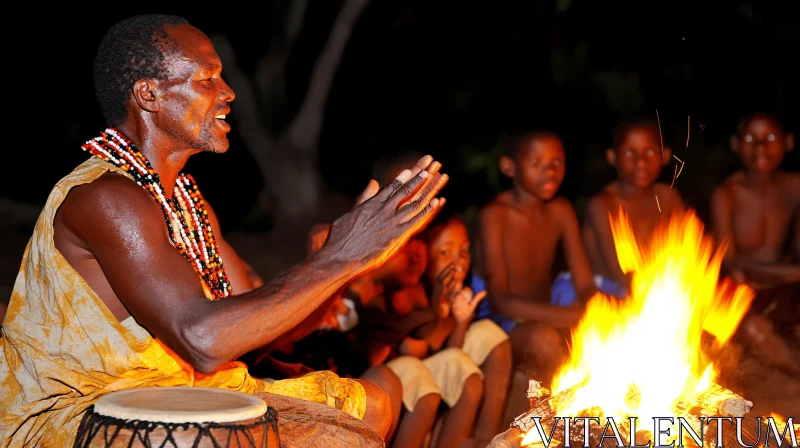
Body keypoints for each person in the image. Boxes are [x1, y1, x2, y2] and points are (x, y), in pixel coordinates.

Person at [0, 14, 448, 447]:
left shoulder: (188, 203)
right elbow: (203, 341)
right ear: (149, 95)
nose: (228, 92)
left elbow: (264, 329)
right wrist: (340, 256)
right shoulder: (107, 197)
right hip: (86, 410)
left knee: (370, 404)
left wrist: (349, 261)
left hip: (186, 390)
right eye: (207, 79)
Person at [473, 131, 596, 385]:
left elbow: (585, 286)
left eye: (556, 162)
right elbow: (501, 303)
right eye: (535, 162)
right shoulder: (495, 216)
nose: (549, 171)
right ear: (509, 167)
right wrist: (574, 316)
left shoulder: (562, 211)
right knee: (545, 339)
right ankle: (571, 416)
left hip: (546, 314)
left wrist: (599, 309)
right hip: (499, 323)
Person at [409, 213, 513, 447]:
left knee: (490, 333)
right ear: (422, 255)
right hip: (412, 387)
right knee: (465, 373)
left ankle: (490, 438)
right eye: (445, 252)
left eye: (464, 251)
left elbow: (452, 352)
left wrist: (462, 319)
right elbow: (419, 353)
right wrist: (439, 312)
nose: (459, 262)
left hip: (442, 373)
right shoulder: (414, 292)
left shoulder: (462, 291)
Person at [709, 111, 800, 376]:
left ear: (789, 142)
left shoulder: (795, 187)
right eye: (750, 138)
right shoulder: (727, 194)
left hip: (784, 291)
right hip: (739, 292)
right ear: (735, 144)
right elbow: (731, 262)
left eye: (770, 137)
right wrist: (792, 273)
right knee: (753, 329)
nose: (760, 146)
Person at [581, 118, 684, 302]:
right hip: (609, 295)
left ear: (665, 155)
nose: (641, 161)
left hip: (658, 288)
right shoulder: (602, 205)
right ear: (612, 157)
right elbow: (619, 274)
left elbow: (684, 255)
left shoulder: (668, 197)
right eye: (629, 152)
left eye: (650, 151)